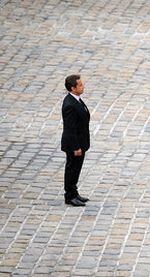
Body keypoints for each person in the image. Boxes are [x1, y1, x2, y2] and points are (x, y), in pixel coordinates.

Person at [61, 74, 90, 206]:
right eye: (80, 85)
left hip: (81, 142)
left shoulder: (77, 100)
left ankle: (74, 192)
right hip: (74, 144)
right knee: (72, 169)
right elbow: (70, 129)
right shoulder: (69, 105)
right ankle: (69, 196)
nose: (83, 86)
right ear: (73, 88)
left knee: (76, 169)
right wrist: (76, 147)